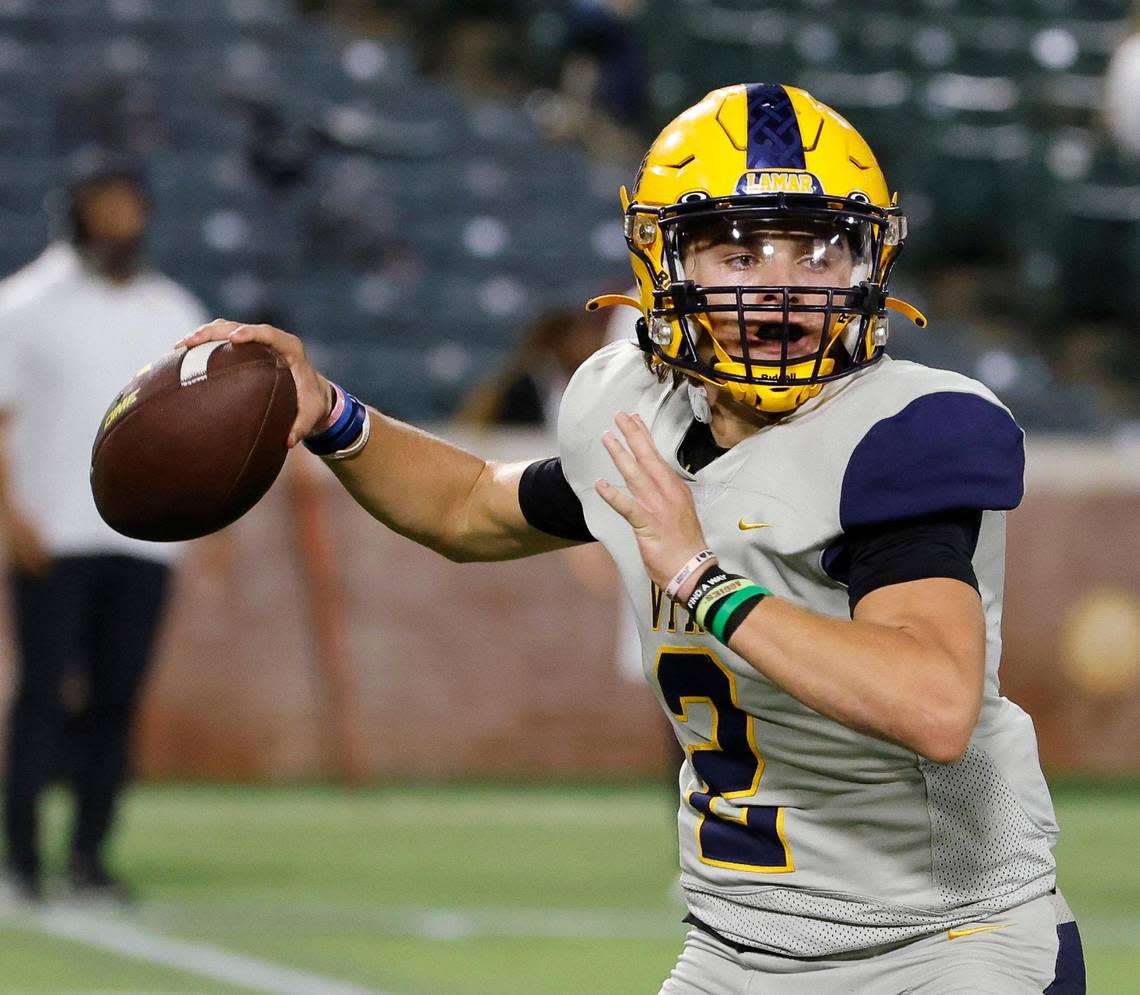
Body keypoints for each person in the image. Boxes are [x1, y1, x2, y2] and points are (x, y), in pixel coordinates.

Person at [177, 84, 1084, 992]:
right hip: (739, 947)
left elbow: (931, 701)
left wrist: (702, 577)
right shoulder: (632, 406)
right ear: (663, 261)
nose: (780, 285)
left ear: (867, 265)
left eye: (817, 249)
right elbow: (464, 508)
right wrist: (333, 414)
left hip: (944, 944)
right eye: (738, 250)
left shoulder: (907, 427)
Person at [0, 150, 207, 905]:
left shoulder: (174, 311)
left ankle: (90, 853)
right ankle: (21, 857)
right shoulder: (24, 304)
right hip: (53, 529)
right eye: (102, 204)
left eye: (129, 204)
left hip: (145, 537)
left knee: (118, 698)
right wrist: (10, 513)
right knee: (43, 694)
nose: (118, 220)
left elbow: (197, 425)